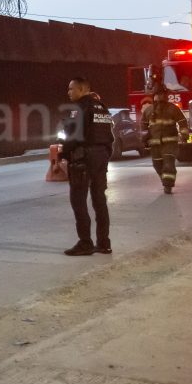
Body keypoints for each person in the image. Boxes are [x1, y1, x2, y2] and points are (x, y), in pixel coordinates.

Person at [60, 77, 115, 256]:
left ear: (82, 90)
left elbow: (73, 137)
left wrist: (63, 154)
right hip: (101, 157)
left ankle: (85, 243)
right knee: (99, 200)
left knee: (78, 200)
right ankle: (104, 243)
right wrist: (104, 154)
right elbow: (109, 137)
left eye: (71, 89)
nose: (68, 92)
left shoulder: (79, 109)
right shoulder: (102, 108)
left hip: (83, 159)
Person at [142, 85, 189, 194]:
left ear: (166, 96)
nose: (160, 97)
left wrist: (184, 135)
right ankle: (164, 179)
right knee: (157, 165)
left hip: (170, 143)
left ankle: (168, 185)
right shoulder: (148, 111)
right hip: (155, 144)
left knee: (168, 164)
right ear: (154, 96)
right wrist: (144, 139)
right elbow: (143, 126)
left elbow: (182, 122)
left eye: (162, 94)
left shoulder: (172, 108)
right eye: (157, 95)